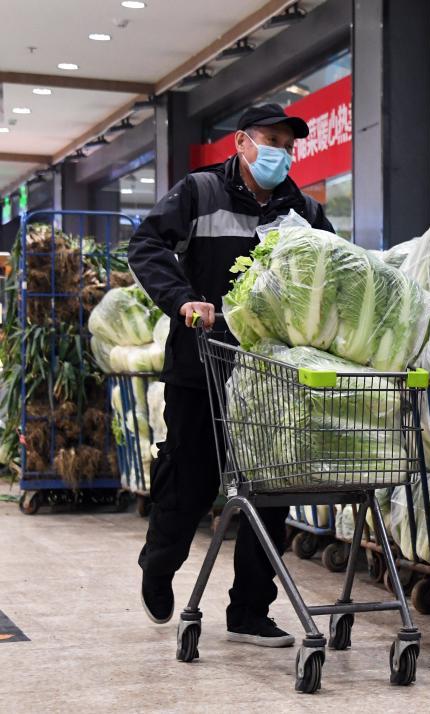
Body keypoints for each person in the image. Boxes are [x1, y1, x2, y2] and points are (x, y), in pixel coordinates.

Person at [129, 104, 334, 647]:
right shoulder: (199, 192)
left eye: (289, 146)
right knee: (191, 477)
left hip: (271, 378)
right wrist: (183, 300)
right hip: (203, 364)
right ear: (242, 142)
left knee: (270, 488)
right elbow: (146, 245)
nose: (281, 154)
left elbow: (336, 273)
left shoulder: (305, 211)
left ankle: (248, 610)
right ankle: (160, 561)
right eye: (271, 141)